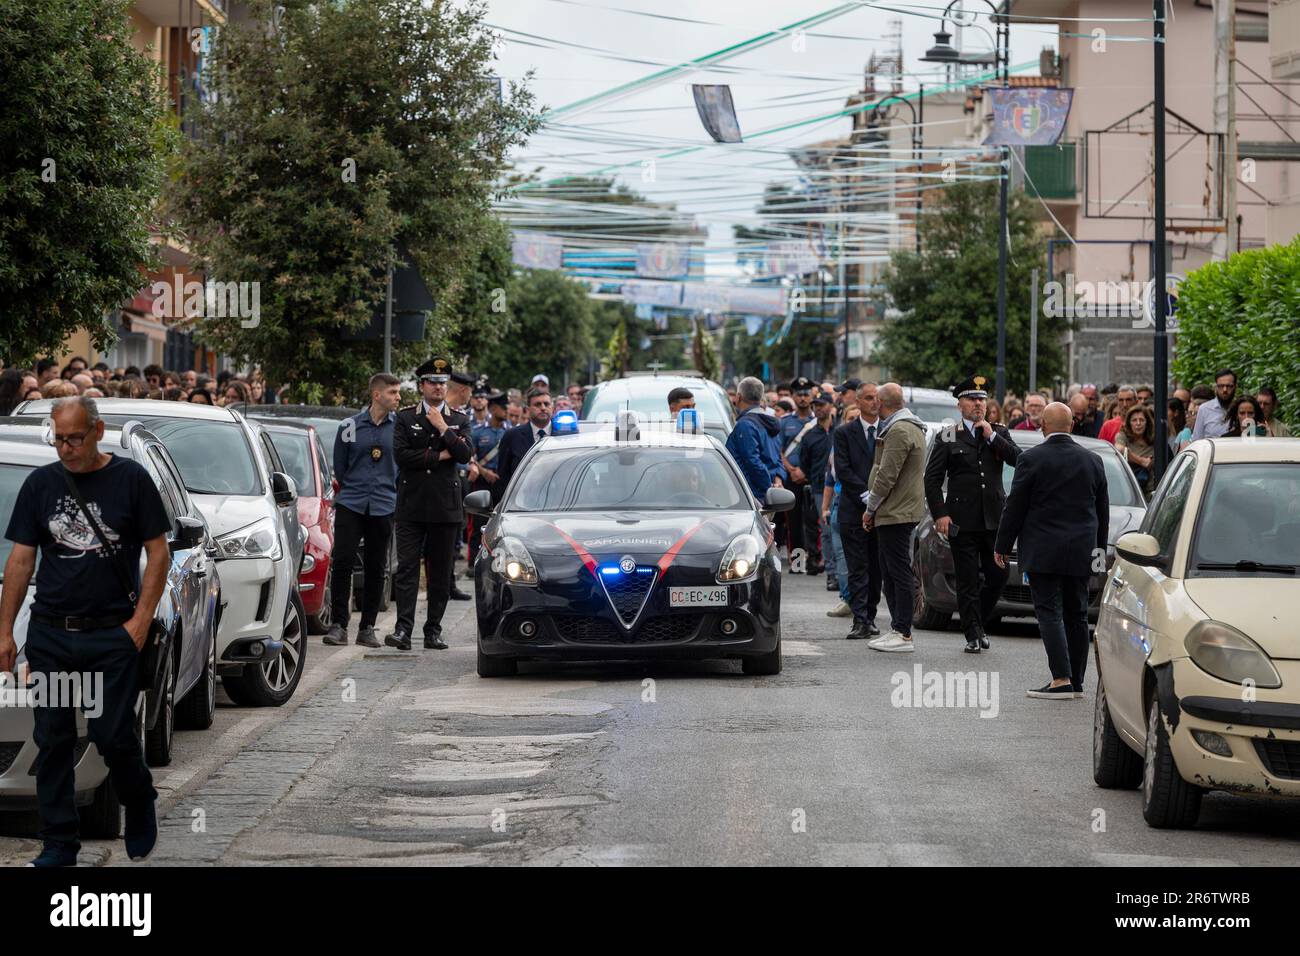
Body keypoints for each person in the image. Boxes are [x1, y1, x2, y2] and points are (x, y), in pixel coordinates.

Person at [0, 396, 169, 866]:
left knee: (111, 732)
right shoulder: (41, 485)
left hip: (112, 635)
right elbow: (20, 560)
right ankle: (59, 843)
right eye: (59, 439)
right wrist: (5, 632)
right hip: (53, 633)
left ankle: (138, 798)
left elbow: (159, 552)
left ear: (98, 431)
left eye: (75, 438)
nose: (67, 449)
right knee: (52, 737)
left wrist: (140, 621)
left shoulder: (131, 480)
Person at [994, 402, 1108, 700]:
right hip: (1082, 550)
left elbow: (1014, 507)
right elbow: (1102, 513)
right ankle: (1077, 680)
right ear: (1071, 425)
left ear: (1042, 425)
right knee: (1078, 614)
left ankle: (1061, 678)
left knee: (1049, 613)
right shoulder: (1094, 460)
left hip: (1043, 550)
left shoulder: (1031, 459)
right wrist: (1099, 552)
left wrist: (1003, 545)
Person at [924, 375, 1020, 653]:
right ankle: (973, 634)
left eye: (982, 399)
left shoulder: (999, 432)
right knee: (966, 579)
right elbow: (932, 479)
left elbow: (1018, 459)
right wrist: (940, 514)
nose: (978, 404)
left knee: (998, 575)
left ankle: (977, 621)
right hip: (961, 519)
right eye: (972, 399)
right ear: (960, 405)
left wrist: (991, 437)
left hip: (994, 519)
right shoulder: (948, 435)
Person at [388, 358, 473, 651]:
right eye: (432, 382)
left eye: (442, 383)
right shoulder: (405, 416)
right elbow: (401, 456)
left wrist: (442, 427)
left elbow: (463, 454)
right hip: (412, 504)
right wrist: (438, 456)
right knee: (408, 568)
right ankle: (402, 630)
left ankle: (433, 630)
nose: (438, 387)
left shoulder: (460, 418)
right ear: (422, 386)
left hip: (444, 507)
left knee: (439, 573)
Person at [324, 372, 401, 649]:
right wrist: (354, 487)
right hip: (352, 502)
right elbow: (341, 467)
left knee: (376, 566)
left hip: (383, 503)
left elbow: (401, 468)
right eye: (393, 392)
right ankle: (338, 624)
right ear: (377, 395)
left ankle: (367, 626)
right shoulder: (349, 426)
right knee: (343, 560)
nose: (398, 397)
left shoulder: (399, 427)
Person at [862, 384, 928, 654]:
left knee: (897, 571)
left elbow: (887, 475)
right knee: (890, 569)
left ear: (879, 402)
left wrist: (870, 508)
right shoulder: (903, 425)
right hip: (897, 509)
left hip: (896, 511)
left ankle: (903, 632)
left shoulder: (900, 429)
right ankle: (898, 628)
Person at [832, 388, 882, 638]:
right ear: (859, 402)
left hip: (882, 511)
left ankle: (870, 616)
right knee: (857, 567)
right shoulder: (844, 433)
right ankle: (860, 619)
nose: (875, 403)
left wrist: (877, 500)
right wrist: (866, 496)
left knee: (876, 568)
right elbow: (843, 468)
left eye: (877, 398)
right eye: (870, 398)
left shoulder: (888, 430)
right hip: (853, 510)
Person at [790, 391, 834, 577]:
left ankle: (835, 568)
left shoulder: (839, 431)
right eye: (816, 405)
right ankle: (824, 567)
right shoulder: (809, 436)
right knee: (823, 528)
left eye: (822, 404)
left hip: (839, 488)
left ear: (831, 406)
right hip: (818, 487)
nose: (818, 408)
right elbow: (804, 463)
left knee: (834, 530)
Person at [822, 404, 861, 613]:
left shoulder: (868, 443)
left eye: (858, 417)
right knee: (841, 555)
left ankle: (858, 599)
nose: (854, 421)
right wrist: (825, 507)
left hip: (861, 503)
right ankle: (848, 598)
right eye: (850, 418)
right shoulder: (838, 444)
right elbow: (830, 478)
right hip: (840, 501)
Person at [724, 376, 785, 504]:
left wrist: (768, 486)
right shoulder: (769, 423)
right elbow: (777, 457)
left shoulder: (745, 425)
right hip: (771, 493)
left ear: (738, 397)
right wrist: (778, 479)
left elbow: (752, 461)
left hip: (752, 496)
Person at [467, 391, 509, 571]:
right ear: (493, 409)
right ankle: (472, 564)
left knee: (501, 524)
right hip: (483, 483)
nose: (506, 411)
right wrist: (483, 472)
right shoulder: (478, 432)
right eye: (503, 407)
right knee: (478, 523)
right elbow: (468, 456)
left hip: (502, 484)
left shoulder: (509, 433)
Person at [777, 377, 817, 568]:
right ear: (793, 396)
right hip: (792, 478)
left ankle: (815, 560)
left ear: (812, 395)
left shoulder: (817, 421)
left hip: (812, 478)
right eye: (799, 394)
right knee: (793, 523)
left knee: (813, 521)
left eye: (806, 394)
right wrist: (791, 470)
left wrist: (805, 471)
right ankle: (798, 562)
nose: (802, 398)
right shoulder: (785, 422)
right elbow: (779, 450)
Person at [494, 386, 554, 504]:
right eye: (537, 404)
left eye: (546, 404)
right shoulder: (512, 436)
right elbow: (503, 477)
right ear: (527, 409)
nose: (543, 408)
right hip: (521, 505)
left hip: (559, 503)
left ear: (553, 407)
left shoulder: (564, 434)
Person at [1115, 404, 1156, 496]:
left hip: (1149, 491)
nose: (1138, 423)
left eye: (1141, 420)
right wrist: (1142, 461)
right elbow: (1119, 449)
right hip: (1127, 491)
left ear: (1147, 422)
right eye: (1134, 420)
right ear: (1129, 423)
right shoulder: (1123, 436)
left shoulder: (1154, 439)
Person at [1190, 368, 1237, 440]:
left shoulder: (1240, 408)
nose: (1225, 390)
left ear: (1235, 387)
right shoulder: (1204, 409)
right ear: (1216, 387)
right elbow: (1197, 440)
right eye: (1221, 386)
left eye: (1229, 386)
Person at [1176, 384, 1213, 449]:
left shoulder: (1186, 433)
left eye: (1193, 414)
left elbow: (1184, 451)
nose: (1188, 417)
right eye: (1189, 413)